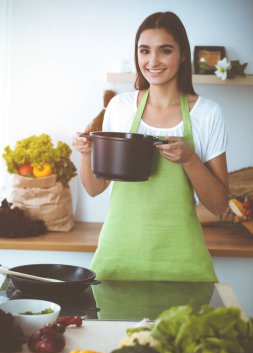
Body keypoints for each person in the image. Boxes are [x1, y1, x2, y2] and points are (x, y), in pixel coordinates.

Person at [73, 11, 229, 282]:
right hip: (117, 259)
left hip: (182, 265)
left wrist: (190, 160)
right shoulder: (119, 107)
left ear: (182, 55)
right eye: (144, 51)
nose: (153, 61)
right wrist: (86, 154)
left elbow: (218, 205)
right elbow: (95, 188)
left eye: (165, 50)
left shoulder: (208, 113)